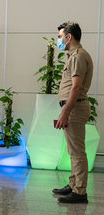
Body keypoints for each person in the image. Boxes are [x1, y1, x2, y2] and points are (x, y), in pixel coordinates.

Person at [52, 21, 93, 204]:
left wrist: (65, 112)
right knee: (73, 151)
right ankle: (74, 184)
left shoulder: (77, 56)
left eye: (60, 37)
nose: (58, 40)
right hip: (73, 107)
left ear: (69, 37)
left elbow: (76, 88)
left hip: (75, 108)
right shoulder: (74, 55)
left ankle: (79, 192)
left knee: (77, 152)